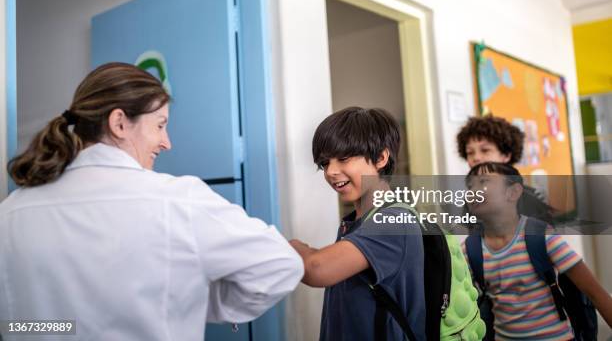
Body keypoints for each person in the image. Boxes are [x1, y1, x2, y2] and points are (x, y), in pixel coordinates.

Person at [0, 62, 303, 341]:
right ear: (119, 123)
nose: (167, 142)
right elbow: (281, 264)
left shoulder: (11, 212)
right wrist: (189, 300)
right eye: (160, 125)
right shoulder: (177, 200)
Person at [290, 107, 427, 341]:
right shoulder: (355, 223)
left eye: (344, 158)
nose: (331, 171)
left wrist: (292, 246)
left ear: (381, 158)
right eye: (325, 163)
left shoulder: (392, 222)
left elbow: (316, 269)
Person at [463, 162, 612, 340]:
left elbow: (596, 294)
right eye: (470, 185)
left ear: (513, 192)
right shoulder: (470, 249)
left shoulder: (542, 237)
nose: (473, 191)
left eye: (484, 182)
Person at [456, 115, 553, 224]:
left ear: (506, 155)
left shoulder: (528, 199)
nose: (476, 158)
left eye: (485, 150)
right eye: (470, 153)